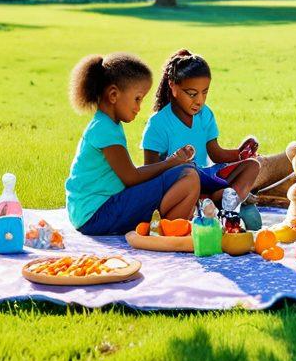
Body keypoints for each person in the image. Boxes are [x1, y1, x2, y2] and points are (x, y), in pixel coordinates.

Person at [65, 52, 200, 235]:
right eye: (137, 98)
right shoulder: (104, 129)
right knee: (188, 177)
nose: (139, 107)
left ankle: (162, 227)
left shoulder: (107, 124)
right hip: (96, 215)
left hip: (95, 212)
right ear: (113, 95)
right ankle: (164, 232)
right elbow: (131, 178)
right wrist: (171, 162)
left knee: (186, 175)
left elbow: (127, 176)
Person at [142, 49, 260, 205]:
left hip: (206, 175)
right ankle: (214, 199)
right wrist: (175, 163)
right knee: (190, 171)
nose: (199, 101)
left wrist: (241, 154)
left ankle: (222, 200)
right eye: (192, 94)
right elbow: (149, 170)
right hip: (181, 181)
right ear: (172, 85)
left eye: (205, 92)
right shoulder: (158, 124)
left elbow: (216, 153)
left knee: (252, 166)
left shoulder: (205, 115)